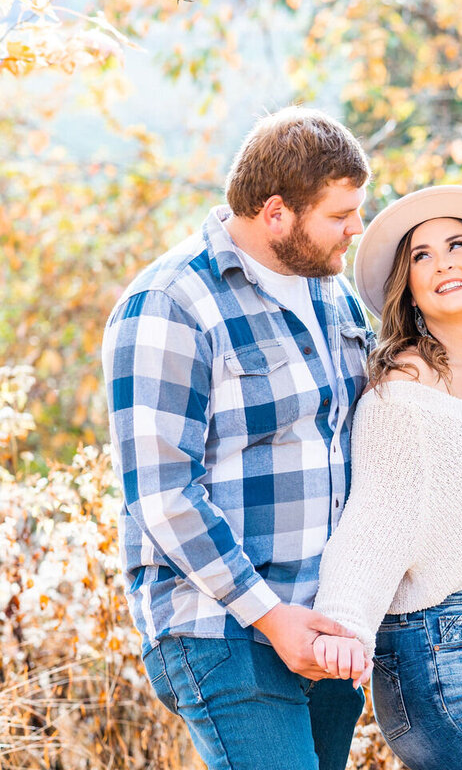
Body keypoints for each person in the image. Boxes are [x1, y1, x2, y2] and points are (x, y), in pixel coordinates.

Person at [101, 107, 375, 770]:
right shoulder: (170, 303)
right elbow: (164, 496)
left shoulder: (332, 296)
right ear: (277, 212)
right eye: (340, 215)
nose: (356, 230)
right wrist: (274, 617)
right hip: (221, 627)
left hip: (325, 628)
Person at [310, 184, 462, 770]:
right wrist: (343, 627)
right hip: (442, 663)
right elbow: (378, 517)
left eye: (457, 244)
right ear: (411, 291)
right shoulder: (404, 393)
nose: (443, 261)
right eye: (421, 255)